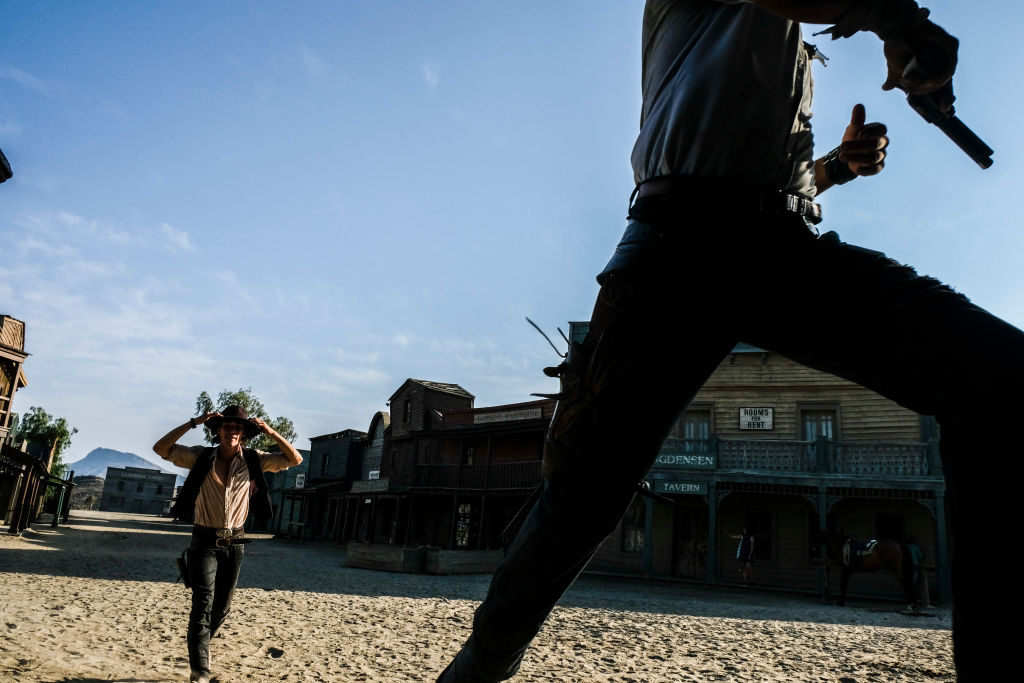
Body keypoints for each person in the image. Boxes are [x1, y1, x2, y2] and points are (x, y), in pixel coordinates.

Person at [437, 1, 1015, 680]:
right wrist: (896, 18)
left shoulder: (790, 40)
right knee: (588, 489)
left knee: (999, 380)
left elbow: (758, 168)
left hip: (780, 248)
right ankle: (480, 667)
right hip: (675, 245)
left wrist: (833, 167)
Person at [154, 405, 302, 683]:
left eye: (237, 428)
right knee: (202, 602)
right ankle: (200, 670)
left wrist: (270, 431)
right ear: (219, 431)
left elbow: (294, 459)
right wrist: (195, 421)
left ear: (243, 433)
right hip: (204, 540)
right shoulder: (200, 456)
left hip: (235, 543)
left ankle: (199, 647)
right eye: (227, 426)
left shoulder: (255, 459)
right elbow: (161, 448)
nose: (231, 431)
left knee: (222, 608)